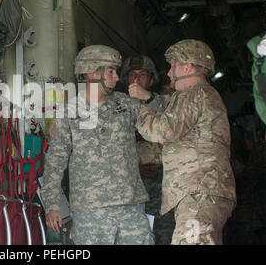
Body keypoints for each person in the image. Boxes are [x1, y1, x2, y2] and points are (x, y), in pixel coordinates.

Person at [41, 45, 159, 245]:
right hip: (90, 211)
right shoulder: (69, 113)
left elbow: (164, 124)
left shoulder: (127, 104)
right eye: (111, 71)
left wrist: (150, 97)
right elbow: (55, 161)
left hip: (130, 206)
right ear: (92, 72)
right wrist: (52, 205)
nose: (117, 78)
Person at [135, 39, 236, 245]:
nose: (170, 74)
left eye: (173, 66)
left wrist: (143, 112)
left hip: (199, 191)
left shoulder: (192, 93)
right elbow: (181, 145)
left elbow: (164, 131)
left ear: (187, 66)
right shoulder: (206, 96)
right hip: (204, 191)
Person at [122, 55, 175, 245]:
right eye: (132, 75)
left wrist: (149, 98)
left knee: (166, 234)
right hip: (132, 184)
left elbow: (176, 121)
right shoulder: (118, 107)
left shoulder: (165, 103)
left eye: (142, 74)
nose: (136, 79)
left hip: (164, 182)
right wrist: (135, 168)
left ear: (151, 80)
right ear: (125, 79)